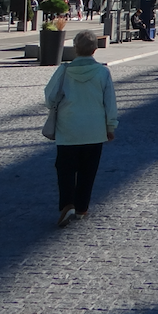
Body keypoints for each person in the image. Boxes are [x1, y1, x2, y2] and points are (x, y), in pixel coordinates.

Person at [44, 30, 117, 227]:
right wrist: (111, 126)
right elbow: (109, 102)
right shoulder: (103, 72)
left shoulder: (64, 71)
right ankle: (82, 207)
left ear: (75, 48)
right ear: (95, 49)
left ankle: (67, 203)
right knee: (88, 170)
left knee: (65, 169)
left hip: (68, 128)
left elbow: (49, 97)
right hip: (94, 129)